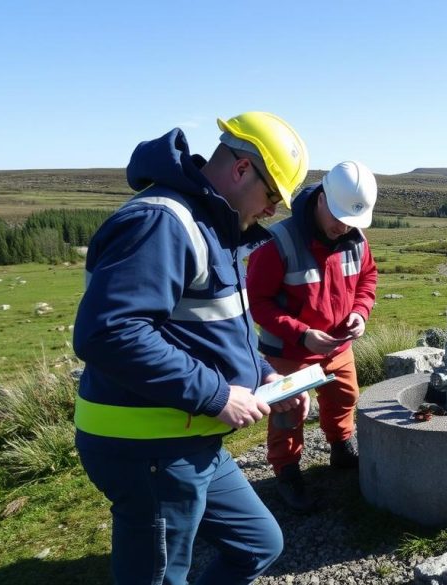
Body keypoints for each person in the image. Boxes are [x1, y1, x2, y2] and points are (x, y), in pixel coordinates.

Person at [73, 112, 311, 584]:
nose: (271, 212)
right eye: (270, 197)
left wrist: (263, 374)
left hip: (191, 435)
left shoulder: (213, 225)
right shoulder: (163, 221)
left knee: (258, 544)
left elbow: (210, 328)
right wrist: (219, 395)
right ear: (243, 170)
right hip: (147, 447)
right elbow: (110, 332)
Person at [246, 160, 378, 512]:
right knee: (289, 413)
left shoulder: (355, 238)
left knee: (344, 396)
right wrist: (303, 335)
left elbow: (367, 280)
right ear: (321, 198)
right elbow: (257, 302)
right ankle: (287, 471)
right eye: (337, 217)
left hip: (337, 344)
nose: (342, 227)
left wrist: (359, 314)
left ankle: (340, 446)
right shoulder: (276, 243)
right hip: (290, 350)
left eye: (351, 221)